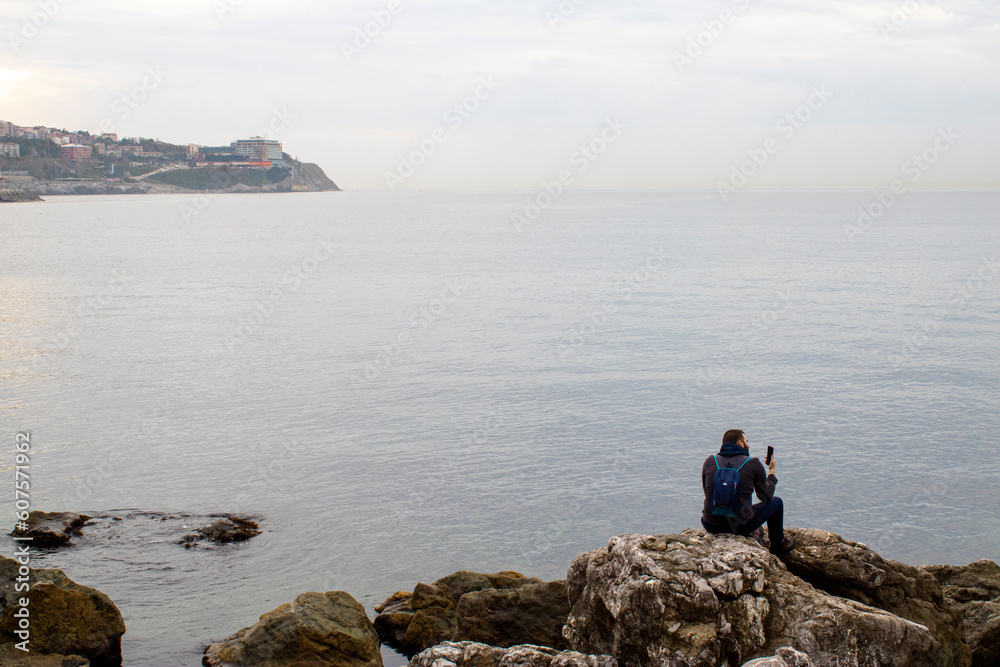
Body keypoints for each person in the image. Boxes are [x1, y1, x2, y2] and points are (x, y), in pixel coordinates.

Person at [701, 429, 795, 554]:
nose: (748, 445)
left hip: (710, 524)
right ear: (740, 443)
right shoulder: (753, 463)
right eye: (746, 441)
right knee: (777, 502)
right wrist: (771, 473)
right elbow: (766, 497)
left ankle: (754, 530)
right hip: (740, 526)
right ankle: (778, 544)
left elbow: (707, 491)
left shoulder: (710, 461)